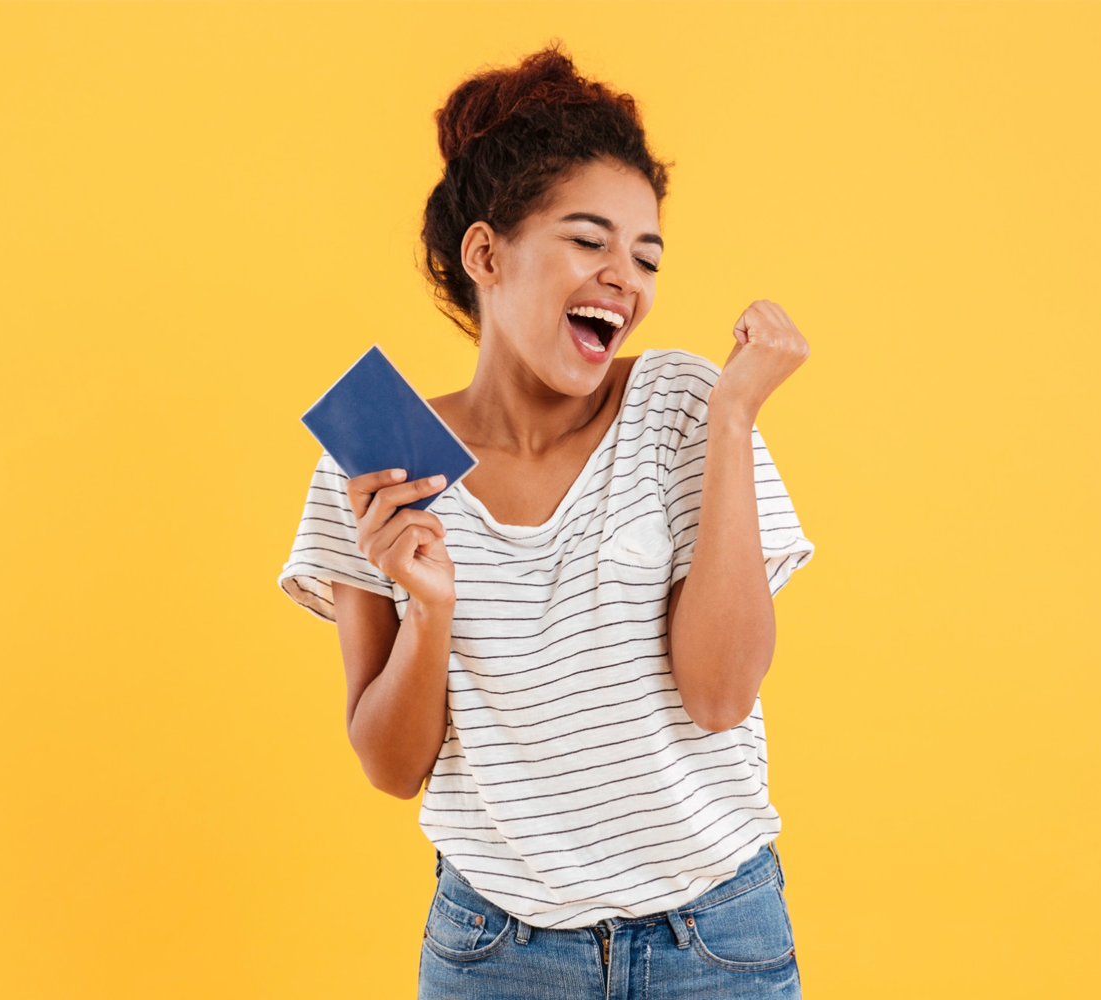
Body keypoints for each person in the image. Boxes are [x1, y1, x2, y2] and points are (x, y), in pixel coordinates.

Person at [277, 40, 816, 1000]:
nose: (625, 277)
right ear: (487, 253)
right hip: (497, 954)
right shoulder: (380, 456)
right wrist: (430, 608)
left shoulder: (688, 407)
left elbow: (721, 696)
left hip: (715, 942)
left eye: (646, 256)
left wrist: (734, 420)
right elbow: (392, 768)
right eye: (590, 240)